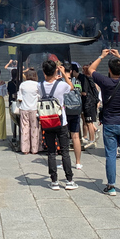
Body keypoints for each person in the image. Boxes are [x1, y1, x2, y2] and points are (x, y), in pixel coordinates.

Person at [88, 48, 120, 197]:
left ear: (109, 69)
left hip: (109, 123)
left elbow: (91, 69)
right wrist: (119, 56)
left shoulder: (105, 81)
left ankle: (112, 186)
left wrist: (101, 56)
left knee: (111, 155)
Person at [39, 60, 78, 191]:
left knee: (51, 152)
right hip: (61, 121)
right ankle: (69, 180)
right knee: (65, 152)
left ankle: (54, 181)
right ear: (55, 71)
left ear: (44, 72)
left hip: (47, 121)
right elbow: (71, 87)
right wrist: (62, 72)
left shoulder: (40, 86)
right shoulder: (61, 85)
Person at [18, 69, 41, 154]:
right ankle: (34, 149)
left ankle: (25, 149)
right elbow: (40, 97)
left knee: (24, 128)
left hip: (24, 108)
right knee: (34, 128)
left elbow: (19, 98)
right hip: (34, 108)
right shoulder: (37, 85)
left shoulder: (22, 85)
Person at [7, 68, 20, 144]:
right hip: (19, 102)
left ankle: (14, 134)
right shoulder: (20, 82)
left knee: (13, 119)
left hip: (11, 102)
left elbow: (8, 92)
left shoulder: (9, 83)